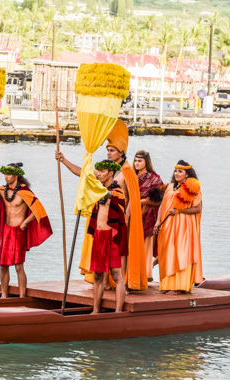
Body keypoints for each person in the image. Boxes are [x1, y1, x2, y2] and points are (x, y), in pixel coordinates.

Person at [55, 120, 147, 292]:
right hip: (104, 218)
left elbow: (130, 199)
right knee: (103, 253)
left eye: (112, 150)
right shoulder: (106, 170)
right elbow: (84, 174)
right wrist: (63, 160)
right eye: (107, 150)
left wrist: (126, 218)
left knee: (120, 254)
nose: (109, 153)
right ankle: (105, 283)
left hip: (120, 219)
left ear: (121, 152)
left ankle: (123, 284)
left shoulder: (127, 172)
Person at [0, 163, 53, 298]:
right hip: (6, 232)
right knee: (3, 265)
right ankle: (3, 296)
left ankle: (21, 297)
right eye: (4, 173)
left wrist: (25, 222)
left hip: (19, 232)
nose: (5, 176)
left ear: (16, 175)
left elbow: (38, 210)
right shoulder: (2, 191)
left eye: (8, 173)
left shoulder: (25, 193)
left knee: (19, 266)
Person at [154, 160, 203, 295]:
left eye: (180, 171)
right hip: (167, 225)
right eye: (175, 171)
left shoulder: (192, 189)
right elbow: (162, 206)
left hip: (183, 225)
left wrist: (179, 212)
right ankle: (168, 284)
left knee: (181, 253)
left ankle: (179, 287)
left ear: (187, 175)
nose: (176, 173)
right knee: (167, 252)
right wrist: (157, 222)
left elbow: (197, 209)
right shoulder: (170, 187)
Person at [88, 160, 127, 313]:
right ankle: (95, 311)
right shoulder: (99, 190)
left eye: (102, 171)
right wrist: (64, 160)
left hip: (112, 236)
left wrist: (94, 188)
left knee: (117, 275)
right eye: (98, 171)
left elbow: (112, 195)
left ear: (111, 173)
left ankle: (118, 311)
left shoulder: (116, 190)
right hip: (98, 236)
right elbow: (83, 173)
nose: (99, 174)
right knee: (97, 276)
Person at [133, 150, 163, 281]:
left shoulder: (154, 178)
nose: (137, 163)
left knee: (146, 246)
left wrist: (144, 201)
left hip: (147, 215)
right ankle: (131, 273)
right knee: (131, 245)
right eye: (135, 160)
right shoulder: (130, 176)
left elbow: (160, 201)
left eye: (140, 161)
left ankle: (145, 274)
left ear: (146, 162)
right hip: (132, 213)